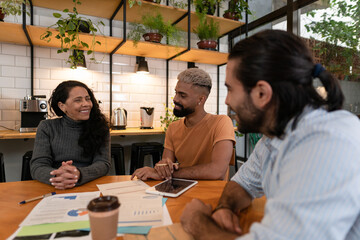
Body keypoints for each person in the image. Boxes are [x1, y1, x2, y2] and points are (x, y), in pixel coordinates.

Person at [180, 30, 360, 239]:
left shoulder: (325, 143)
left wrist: (198, 223)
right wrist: (225, 208)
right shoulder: (274, 138)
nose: (227, 101)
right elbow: (242, 184)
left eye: (230, 89)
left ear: (262, 94)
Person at [131, 68, 235, 181]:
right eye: (176, 93)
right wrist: (161, 168)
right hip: (180, 192)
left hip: (213, 195)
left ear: (200, 99)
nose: (175, 99)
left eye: (182, 95)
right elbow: (165, 169)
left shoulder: (221, 123)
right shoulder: (173, 128)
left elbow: (217, 171)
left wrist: (171, 174)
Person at [30, 80, 110, 190]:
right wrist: (57, 175)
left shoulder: (100, 127)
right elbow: (38, 165)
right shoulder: (47, 127)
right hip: (56, 186)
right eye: (78, 100)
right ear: (62, 106)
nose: (86, 104)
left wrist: (79, 174)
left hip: (89, 183)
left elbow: (103, 163)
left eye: (87, 99)